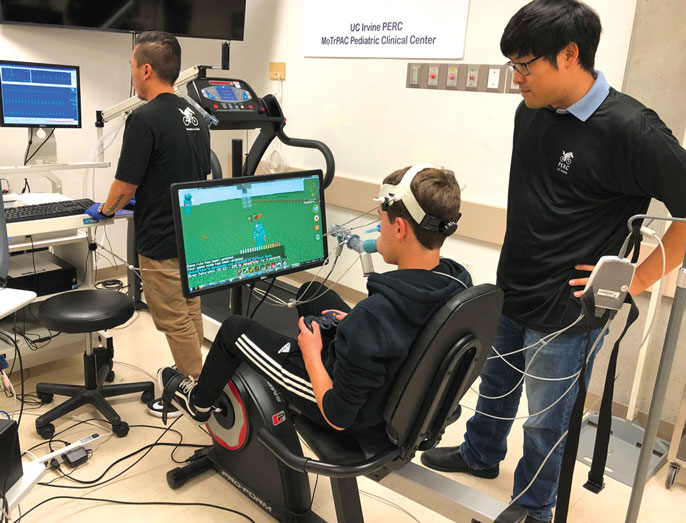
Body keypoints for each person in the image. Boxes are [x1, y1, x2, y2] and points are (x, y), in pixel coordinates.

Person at [420, 1, 686, 522]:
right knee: (494, 385)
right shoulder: (531, 111)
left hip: (568, 311)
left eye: (525, 65)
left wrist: (636, 278)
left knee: (545, 421)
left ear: (570, 54)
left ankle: (533, 508)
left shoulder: (633, 130)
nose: (517, 78)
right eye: (512, 66)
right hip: (513, 285)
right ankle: (479, 455)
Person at [158, 166, 471, 451]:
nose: (380, 228)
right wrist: (352, 328)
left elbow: (338, 415)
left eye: (381, 219)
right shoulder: (456, 282)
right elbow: (404, 334)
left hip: (350, 413)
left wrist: (310, 353)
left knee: (233, 330)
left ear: (400, 228)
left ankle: (199, 404)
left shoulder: (375, 316)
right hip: (388, 384)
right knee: (311, 293)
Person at [86, 31, 211, 418]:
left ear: (146, 69)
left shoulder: (142, 119)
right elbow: (188, 172)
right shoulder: (195, 116)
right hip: (193, 235)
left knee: (173, 320)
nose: (133, 79)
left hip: (160, 239)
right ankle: (199, 376)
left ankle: (198, 394)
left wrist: (106, 209)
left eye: (132, 70)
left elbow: (125, 186)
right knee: (189, 310)